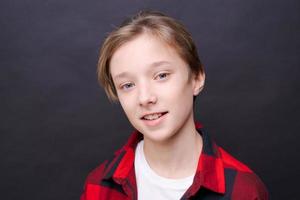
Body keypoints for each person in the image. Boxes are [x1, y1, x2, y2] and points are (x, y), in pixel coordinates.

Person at [80, 10, 269, 200]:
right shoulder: (98, 186)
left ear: (196, 78)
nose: (145, 98)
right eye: (127, 85)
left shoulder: (244, 192)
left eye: (161, 75)